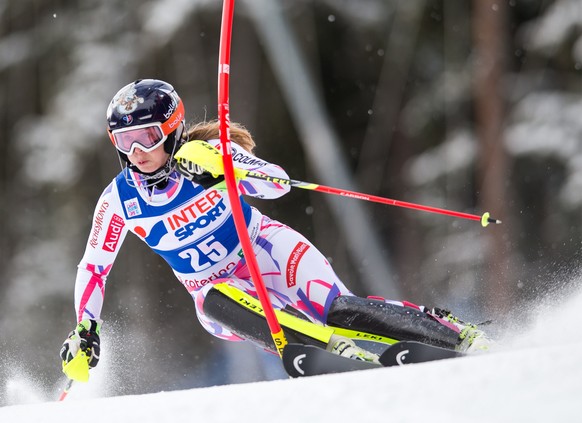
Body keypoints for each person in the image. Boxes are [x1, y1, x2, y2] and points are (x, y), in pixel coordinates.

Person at [60, 79, 493, 379]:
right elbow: (94, 267)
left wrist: (225, 169)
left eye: (148, 137)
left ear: (172, 129)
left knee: (337, 310)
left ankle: (448, 333)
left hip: (268, 249)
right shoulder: (119, 199)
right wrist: (85, 329)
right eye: (124, 141)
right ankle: (320, 346)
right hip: (219, 294)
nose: (137, 152)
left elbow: (278, 185)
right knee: (217, 300)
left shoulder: (207, 154)